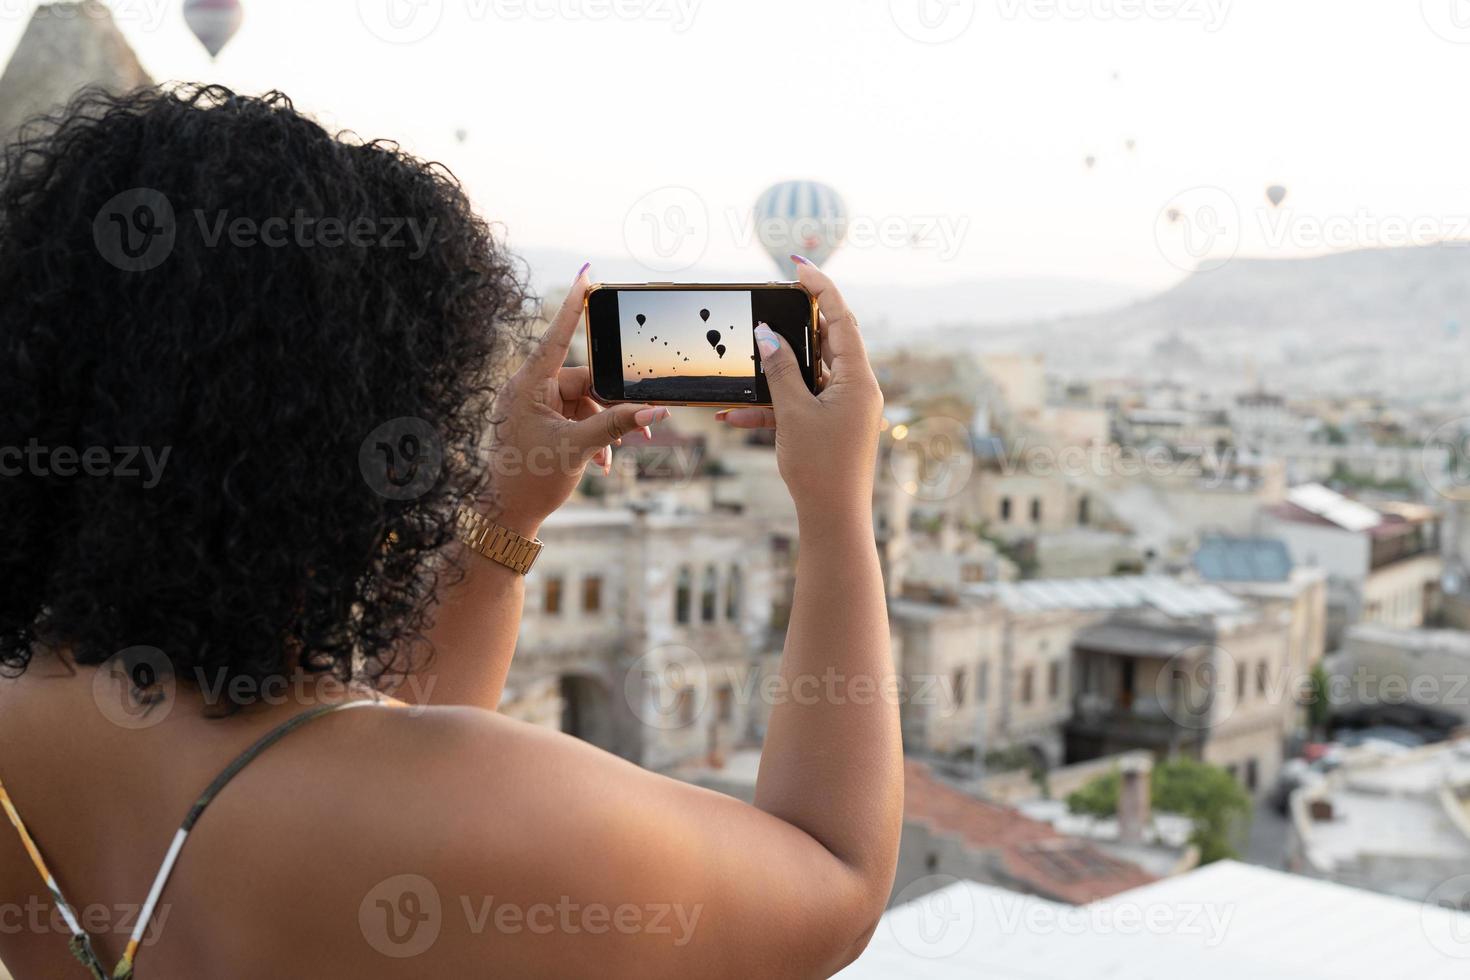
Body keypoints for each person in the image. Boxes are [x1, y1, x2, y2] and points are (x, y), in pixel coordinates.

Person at [0, 85, 900, 978]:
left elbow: (389, 736)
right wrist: (835, 512)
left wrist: (506, 518)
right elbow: (836, 885)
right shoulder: (476, 804)